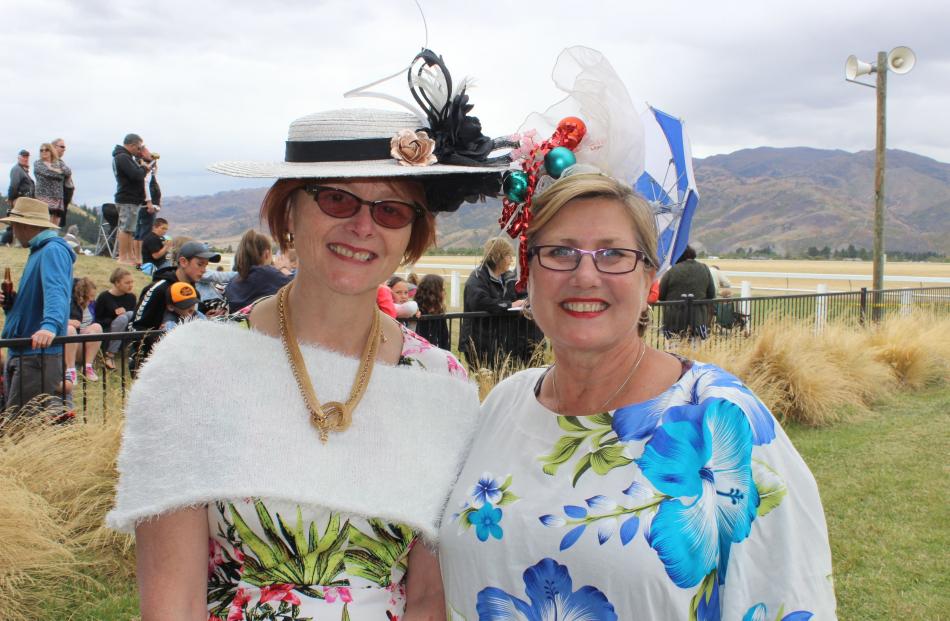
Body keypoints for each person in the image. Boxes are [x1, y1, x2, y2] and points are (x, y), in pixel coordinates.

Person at [107, 49, 510, 616]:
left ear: (412, 236)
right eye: (338, 198)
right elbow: (171, 605)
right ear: (288, 212)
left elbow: (428, 597)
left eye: (392, 210)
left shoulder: (440, 383)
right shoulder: (194, 369)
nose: (363, 226)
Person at [439, 47, 836, 620]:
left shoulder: (725, 425)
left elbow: (788, 601)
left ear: (651, 277)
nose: (584, 274)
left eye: (613, 254)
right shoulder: (502, 405)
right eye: (559, 252)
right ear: (527, 272)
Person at [0, 197, 75, 413]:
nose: (12, 230)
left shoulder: (52, 250)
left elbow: (57, 292)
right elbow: (39, 299)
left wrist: (49, 326)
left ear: (25, 225)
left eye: (13, 225)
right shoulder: (40, 251)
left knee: (22, 426)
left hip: (36, 355)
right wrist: (12, 304)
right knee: (19, 421)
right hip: (26, 352)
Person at [127, 240, 220, 372]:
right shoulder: (159, 289)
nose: (204, 270)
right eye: (200, 264)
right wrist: (162, 340)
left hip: (184, 365)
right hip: (151, 366)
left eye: (206, 265)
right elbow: (134, 327)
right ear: (183, 262)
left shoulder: (195, 292)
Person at [459, 237, 542, 368]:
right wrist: (510, 305)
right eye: (508, 256)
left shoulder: (506, 277)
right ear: (498, 257)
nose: (511, 260)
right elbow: (480, 302)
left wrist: (526, 302)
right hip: (479, 342)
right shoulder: (477, 278)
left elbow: (518, 293)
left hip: (498, 341)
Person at [223, 229, 292, 312]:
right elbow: (299, 287)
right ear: (266, 254)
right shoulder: (267, 274)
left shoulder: (233, 282)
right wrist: (284, 268)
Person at [659, 245, 716, 339]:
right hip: (698, 319)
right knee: (695, 350)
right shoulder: (704, 269)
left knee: (673, 351)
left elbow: (661, 295)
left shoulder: (671, 271)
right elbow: (711, 294)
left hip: (673, 320)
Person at [112, 133, 153, 264]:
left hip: (131, 199)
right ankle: (123, 257)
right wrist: (143, 168)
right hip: (127, 198)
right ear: (132, 145)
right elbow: (135, 175)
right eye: (139, 147)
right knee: (125, 228)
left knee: (130, 229)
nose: (139, 150)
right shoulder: (123, 157)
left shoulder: (126, 157)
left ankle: (129, 256)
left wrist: (144, 163)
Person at [94, 267, 137, 370]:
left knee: (130, 314)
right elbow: (97, 320)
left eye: (131, 282)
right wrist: (115, 318)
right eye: (127, 283)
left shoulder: (131, 297)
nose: (130, 285)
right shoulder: (104, 297)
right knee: (122, 318)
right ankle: (110, 355)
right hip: (107, 332)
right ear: (117, 283)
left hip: (125, 334)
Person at [65, 277, 103, 382]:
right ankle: (70, 370)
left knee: (97, 327)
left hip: (78, 344)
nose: (92, 300)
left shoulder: (89, 306)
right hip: (64, 346)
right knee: (70, 329)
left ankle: (87, 367)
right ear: (82, 295)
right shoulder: (67, 303)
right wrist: (67, 322)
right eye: (90, 296)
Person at [134, 146, 162, 262]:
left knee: (139, 233)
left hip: (144, 205)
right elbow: (146, 186)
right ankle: (142, 258)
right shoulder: (145, 172)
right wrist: (149, 202)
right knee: (144, 233)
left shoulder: (147, 171)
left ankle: (138, 258)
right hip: (147, 206)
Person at [33, 142, 71, 226]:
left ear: (51, 151)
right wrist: (58, 172)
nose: (44, 152)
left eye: (46, 150)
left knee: (54, 227)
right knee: (43, 225)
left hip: (57, 199)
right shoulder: (38, 164)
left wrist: (52, 169)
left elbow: (68, 172)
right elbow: (49, 174)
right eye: (41, 150)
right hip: (43, 199)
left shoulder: (58, 163)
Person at [4, 149, 34, 245]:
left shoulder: (22, 170)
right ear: (19, 158)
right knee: (19, 222)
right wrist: (10, 198)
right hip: (20, 200)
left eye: (27, 157)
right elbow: (13, 185)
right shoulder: (17, 169)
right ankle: (16, 242)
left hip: (25, 201)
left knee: (20, 222)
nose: (25, 158)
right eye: (23, 156)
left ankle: (17, 242)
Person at [414, 273, 449, 349]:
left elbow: (444, 338)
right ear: (433, 292)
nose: (445, 292)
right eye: (442, 289)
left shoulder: (440, 312)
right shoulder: (416, 310)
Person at [51, 138, 74, 227]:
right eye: (62, 146)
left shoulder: (59, 162)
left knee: (56, 227)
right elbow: (67, 172)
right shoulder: (51, 162)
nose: (64, 149)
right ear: (53, 147)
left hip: (61, 203)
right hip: (53, 202)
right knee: (52, 228)